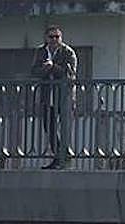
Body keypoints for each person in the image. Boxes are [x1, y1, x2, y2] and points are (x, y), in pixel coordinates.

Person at [31, 25, 77, 170]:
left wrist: (53, 67)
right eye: (51, 37)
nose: (54, 40)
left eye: (57, 37)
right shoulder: (41, 51)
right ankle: (58, 156)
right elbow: (34, 71)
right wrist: (44, 69)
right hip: (47, 95)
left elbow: (70, 74)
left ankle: (63, 157)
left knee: (64, 128)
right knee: (49, 127)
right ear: (46, 38)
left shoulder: (68, 52)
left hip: (63, 96)